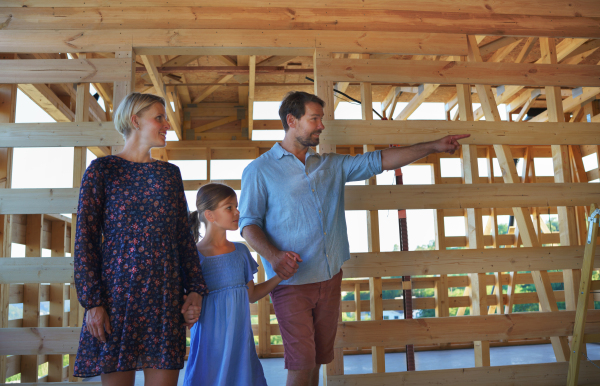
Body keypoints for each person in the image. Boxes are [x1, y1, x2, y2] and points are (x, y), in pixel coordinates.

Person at [239, 91, 470, 386]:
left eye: (321, 119)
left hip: (330, 278)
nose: (321, 125)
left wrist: (433, 147)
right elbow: (248, 225)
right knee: (300, 364)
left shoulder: (331, 165)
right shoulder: (259, 170)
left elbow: (381, 160)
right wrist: (273, 256)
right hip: (290, 285)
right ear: (291, 120)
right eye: (315, 118)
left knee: (317, 362)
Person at [73, 92, 207, 386]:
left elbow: (184, 238)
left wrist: (195, 289)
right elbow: (85, 240)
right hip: (117, 299)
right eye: (159, 117)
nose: (166, 125)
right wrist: (92, 302)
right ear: (135, 120)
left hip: (165, 299)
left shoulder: (170, 175)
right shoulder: (102, 170)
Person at [182, 183, 289, 386]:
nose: (237, 212)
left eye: (236, 206)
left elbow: (252, 294)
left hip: (240, 342)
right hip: (208, 344)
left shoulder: (241, 252)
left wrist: (280, 276)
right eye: (229, 207)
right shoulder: (192, 256)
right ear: (210, 215)